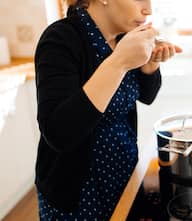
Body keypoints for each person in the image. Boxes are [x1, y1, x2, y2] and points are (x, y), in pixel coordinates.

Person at [34, 0, 182, 220]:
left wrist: (150, 67)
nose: (148, 10)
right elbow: (59, 133)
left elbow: (146, 96)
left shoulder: (125, 37)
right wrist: (119, 62)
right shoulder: (60, 39)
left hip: (124, 170)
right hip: (76, 189)